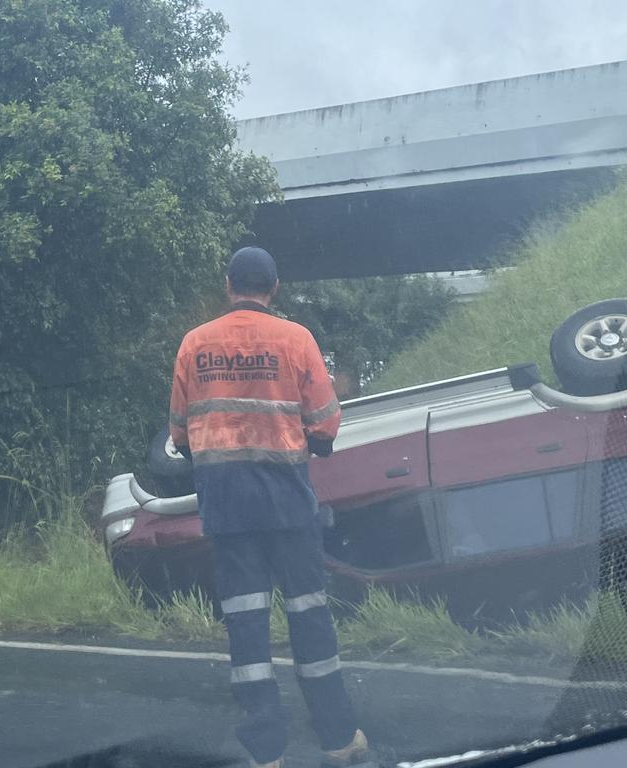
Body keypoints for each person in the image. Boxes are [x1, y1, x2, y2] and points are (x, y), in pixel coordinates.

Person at [168, 247, 368, 768]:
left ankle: (266, 755)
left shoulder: (194, 345)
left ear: (230, 285)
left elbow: (179, 433)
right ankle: (339, 741)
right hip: (286, 502)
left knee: (247, 625)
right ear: (273, 288)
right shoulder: (295, 339)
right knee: (310, 616)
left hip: (227, 506)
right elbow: (324, 424)